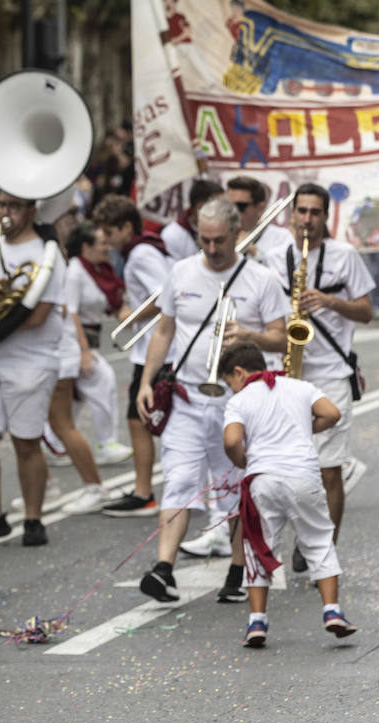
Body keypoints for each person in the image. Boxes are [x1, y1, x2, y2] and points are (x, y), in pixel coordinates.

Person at [135, 197, 287, 604]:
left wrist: (249, 335)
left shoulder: (262, 279)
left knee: (236, 488)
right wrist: (147, 381)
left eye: (220, 240)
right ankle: (163, 569)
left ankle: (238, 571)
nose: (213, 248)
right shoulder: (181, 271)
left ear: (237, 234)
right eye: (204, 240)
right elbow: (164, 330)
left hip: (238, 402)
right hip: (186, 395)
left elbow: (281, 335)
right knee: (180, 481)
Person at [261, 182, 375, 569]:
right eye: (302, 212)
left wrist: (328, 301)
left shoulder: (345, 256)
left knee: (328, 471)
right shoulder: (275, 258)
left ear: (326, 216)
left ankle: (322, 551)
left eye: (315, 213)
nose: (307, 220)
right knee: (287, 468)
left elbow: (366, 311)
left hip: (330, 374)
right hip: (287, 373)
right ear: (292, 215)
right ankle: (305, 532)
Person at [219, 342, 354, 646]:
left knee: (259, 547)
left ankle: (257, 621)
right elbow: (332, 413)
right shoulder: (299, 386)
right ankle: (332, 611)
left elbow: (231, 440)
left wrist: (243, 460)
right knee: (319, 540)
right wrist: (305, 429)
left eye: (230, 382)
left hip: (263, 479)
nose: (231, 389)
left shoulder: (240, 401)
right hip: (303, 475)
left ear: (239, 372)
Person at [0, 192, 65, 546]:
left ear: (31, 210)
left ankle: (34, 518)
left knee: (26, 442)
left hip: (30, 360)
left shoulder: (46, 254)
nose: (5, 213)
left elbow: (38, 316)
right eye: (2, 206)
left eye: (14, 207)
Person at [94, 194, 171, 518]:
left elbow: (166, 293)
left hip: (156, 347)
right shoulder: (141, 249)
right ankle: (147, 489)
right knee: (146, 420)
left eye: (110, 233)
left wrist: (133, 315)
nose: (106, 241)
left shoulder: (139, 254)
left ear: (127, 227)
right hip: (153, 346)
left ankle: (144, 493)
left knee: (141, 420)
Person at [62, 222, 132, 465]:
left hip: (88, 340)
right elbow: (70, 313)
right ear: (86, 247)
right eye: (102, 243)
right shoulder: (74, 272)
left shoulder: (100, 270)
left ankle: (54, 444)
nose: (107, 247)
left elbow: (113, 302)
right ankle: (105, 443)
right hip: (72, 341)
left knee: (74, 397)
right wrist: (83, 351)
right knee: (103, 379)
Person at [161, 178, 225, 261]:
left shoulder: (226, 230)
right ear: (200, 207)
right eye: (218, 207)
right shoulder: (171, 235)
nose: (223, 211)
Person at [227, 175, 290, 257]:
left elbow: (283, 269)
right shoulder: (216, 236)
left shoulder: (282, 238)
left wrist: (255, 253)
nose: (233, 212)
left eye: (240, 206)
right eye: (228, 205)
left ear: (260, 208)